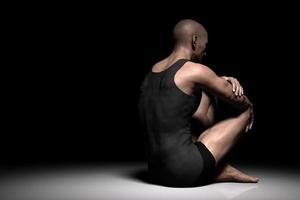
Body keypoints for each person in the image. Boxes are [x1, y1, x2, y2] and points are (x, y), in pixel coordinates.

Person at [138, 19, 258, 187]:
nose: (205, 51)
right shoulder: (194, 70)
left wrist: (215, 83)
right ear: (194, 40)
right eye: (205, 45)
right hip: (185, 172)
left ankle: (215, 169)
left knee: (204, 94)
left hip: (155, 173)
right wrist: (242, 97)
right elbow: (236, 100)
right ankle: (218, 169)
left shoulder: (152, 71)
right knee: (247, 111)